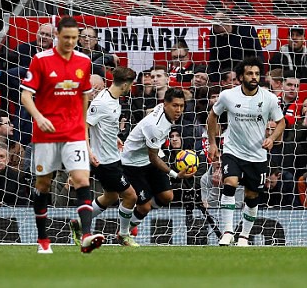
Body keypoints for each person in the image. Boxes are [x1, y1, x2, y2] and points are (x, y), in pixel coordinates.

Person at [20, 16, 105, 254]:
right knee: (43, 184)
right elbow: (26, 96)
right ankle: (43, 239)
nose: (69, 42)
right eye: (65, 38)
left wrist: (85, 140)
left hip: (74, 132)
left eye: (74, 38)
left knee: (82, 181)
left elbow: (83, 98)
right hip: (46, 134)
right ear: (57, 36)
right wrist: (39, 117)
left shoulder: (84, 61)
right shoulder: (40, 60)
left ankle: (86, 235)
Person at [207, 57, 286, 247]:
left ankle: (243, 236)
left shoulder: (269, 98)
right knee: (230, 183)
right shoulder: (228, 96)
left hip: (257, 155)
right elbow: (212, 116)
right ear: (241, 76)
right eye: (250, 73)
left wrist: (272, 138)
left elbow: (281, 122)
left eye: (257, 74)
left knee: (252, 197)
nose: (254, 77)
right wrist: (212, 143)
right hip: (232, 150)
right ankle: (227, 232)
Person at [69, 67, 139, 247]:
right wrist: (89, 152)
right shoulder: (101, 103)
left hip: (112, 157)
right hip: (105, 162)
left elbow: (101, 125)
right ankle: (123, 235)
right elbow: (83, 126)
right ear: (125, 84)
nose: (132, 87)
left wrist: (113, 137)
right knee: (131, 196)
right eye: (131, 84)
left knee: (110, 196)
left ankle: (78, 222)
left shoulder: (114, 100)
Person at [120, 88, 194, 234]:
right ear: (165, 104)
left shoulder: (162, 109)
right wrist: (175, 174)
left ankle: (135, 218)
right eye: (175, 106)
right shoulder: (155, 127)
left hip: (149, 155)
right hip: (133, 162)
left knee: (167, 197)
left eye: (181, 106)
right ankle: (124, 232)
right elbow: (153, 158)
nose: (179, 110)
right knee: (145, 207)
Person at [208, 12, 263, 82]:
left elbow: (257, 53)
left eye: (222, 32)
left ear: (229, 24)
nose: (221, 35)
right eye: (218, 33)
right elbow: (213, 58)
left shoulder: (247, 29)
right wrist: (215, 80)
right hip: (226, 72)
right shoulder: (214, 32)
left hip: (246, 68)